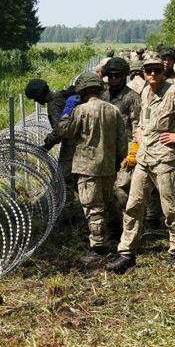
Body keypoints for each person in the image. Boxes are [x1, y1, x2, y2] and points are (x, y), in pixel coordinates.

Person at [106, 55, 175, 274]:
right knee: (134, 205)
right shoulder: (145, 91)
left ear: (163, 71)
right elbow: (142, 119)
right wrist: (139, 135)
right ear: (143, 72)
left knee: (170, 208)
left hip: (166, 158)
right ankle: (126, 253)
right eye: (148, 70)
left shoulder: (174, 93)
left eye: (156, 70)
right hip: (145, 157)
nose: (152, 74)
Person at [57, 73, 128, 262]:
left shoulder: (81, 110)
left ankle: (98, 247)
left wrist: (66, 114)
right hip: (108, 165)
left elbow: (66, 131)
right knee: (108, 200)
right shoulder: (113, 110)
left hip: (87, 167)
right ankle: (118, 233)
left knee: (93, 207)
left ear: (82, 90)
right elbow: (123, 141)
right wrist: (117, 160)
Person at [24, 78, 80, 221]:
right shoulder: (63, 95)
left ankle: (66, 214)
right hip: (82, 139)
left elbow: (60, 131)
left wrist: (46, 146)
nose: (36, 102)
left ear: (39, 96)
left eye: (35, 99)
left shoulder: (53, 104)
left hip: (72, 143)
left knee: (63, 177)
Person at [101, 57, 143, 237]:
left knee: (122, 189)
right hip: (105, 150)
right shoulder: (103, 95)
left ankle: (131, 228)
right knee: (106, 192)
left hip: (126, 150)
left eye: (117, 75)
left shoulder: (132, 97)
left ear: (124, 76)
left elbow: (137, 125)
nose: (113, 78)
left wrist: (134, 150)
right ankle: (115, 226)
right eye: (110, 75)